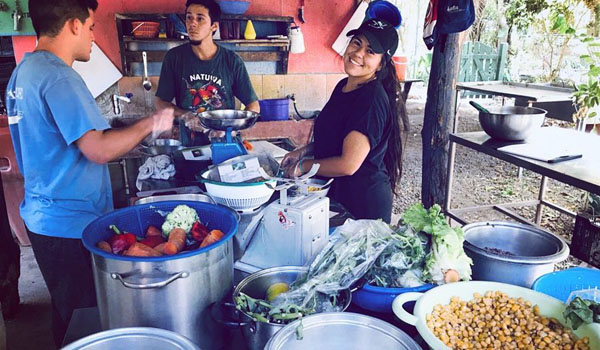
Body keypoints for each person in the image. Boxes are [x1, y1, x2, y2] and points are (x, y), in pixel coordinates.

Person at [5, 0, 174, 346]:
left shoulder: (23, 72)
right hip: (69, 223)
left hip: (43, 218)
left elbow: (50, 139)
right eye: (92, 26)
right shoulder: (59, 76)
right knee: (86, 322)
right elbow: (97, 149)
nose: (94, 38)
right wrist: (151, 123)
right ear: (73, 25)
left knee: (67, 315)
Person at [281, 18, 408, 224]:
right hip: (339, 198)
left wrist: (303, 166)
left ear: (381, 64)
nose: (358, 53)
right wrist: (302, 152)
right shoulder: (344, 86)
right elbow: (334, 137)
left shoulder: (371, 99)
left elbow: (348, 164)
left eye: (370, 51)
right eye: (357, 43)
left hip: (362, 208)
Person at [155, 0, 260, 147]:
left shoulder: (232, 61)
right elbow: (160, 103)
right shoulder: (174, 58)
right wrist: (186, 115)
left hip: (226, 144)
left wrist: (231, 130)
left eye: (200, 18)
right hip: (190, 146)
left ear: (214, 26)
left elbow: (253, 106)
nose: (192, 23)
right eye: (189, 17)